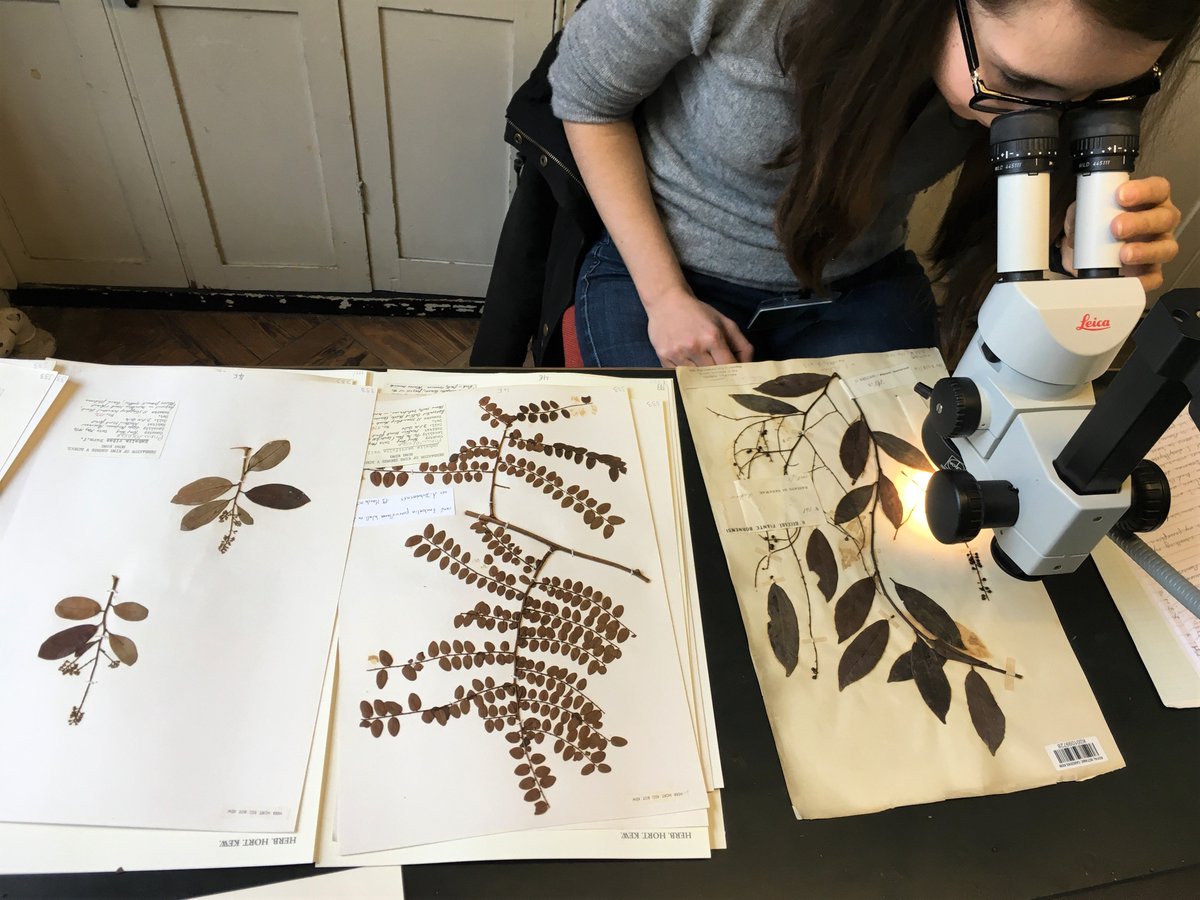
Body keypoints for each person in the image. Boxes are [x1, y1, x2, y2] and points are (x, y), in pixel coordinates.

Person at [549, 0, 1195, 368]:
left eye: (1094, 97)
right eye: (1019, 82)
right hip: (666, 271)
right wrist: (664, 298)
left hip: (856, 283)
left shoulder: (1052, 75)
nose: (1039, 121)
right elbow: (586, 102)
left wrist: (1074, 264)